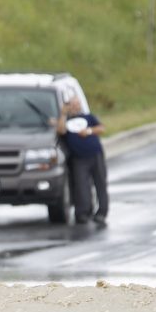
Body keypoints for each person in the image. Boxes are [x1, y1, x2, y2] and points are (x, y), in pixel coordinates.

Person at [52, 97, 108, 226]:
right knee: (81, 186)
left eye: (77, 104)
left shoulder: (88, 117)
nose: (76, 107)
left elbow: (101, 128)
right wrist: (64, 114)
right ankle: (83, 213)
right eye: (72, 105)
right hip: (79, 158)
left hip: (95, 154)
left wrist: (88, 131)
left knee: (100, 183)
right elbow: (60, 130)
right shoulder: (66, 121)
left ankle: (101, 213)